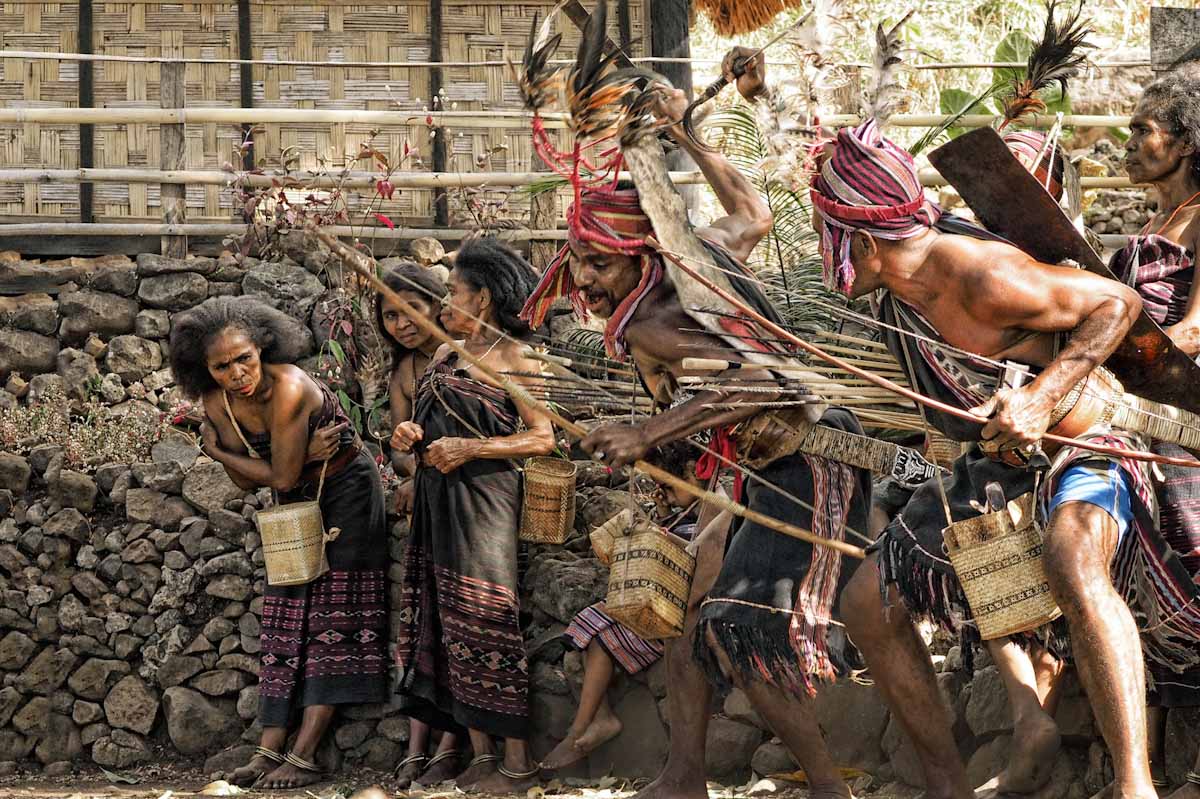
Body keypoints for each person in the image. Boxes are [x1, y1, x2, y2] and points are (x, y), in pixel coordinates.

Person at [804, 107, 1190, 799]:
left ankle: (1137, 787)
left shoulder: (981, 276)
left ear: (860, 243)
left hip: (1088, 439)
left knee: (1071, 555)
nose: (821, 246)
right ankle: (948, 786)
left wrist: (1042, 398)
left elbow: (1119, 302)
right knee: (867, 601)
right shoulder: (899, 291)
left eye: (826, 234)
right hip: (999, 463)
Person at [521, 48, 873, 799]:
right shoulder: (702, 257)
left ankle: (830, 788)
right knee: (683, 626)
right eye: (577, 260)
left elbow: (760, 378)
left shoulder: (652, 319)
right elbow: (754, 212)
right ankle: (683, 775)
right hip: (764, 458)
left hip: (807, 454)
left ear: (643, 253)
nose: (584, 279)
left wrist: (646, 434)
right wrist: (687, 136)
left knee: (733, 629)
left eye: (601, 264)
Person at [168, 296, 389, 790]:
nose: (237, 373)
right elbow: (253, 483)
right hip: (297, 502)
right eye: (222, 366)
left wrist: (216, 451)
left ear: (262, 347)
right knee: (286, 615)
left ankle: (306, 754)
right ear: (204, 369)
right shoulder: (217, 402)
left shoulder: (289, 386)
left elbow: (281, 475)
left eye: (244, 358)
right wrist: (259, 458)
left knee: (336, 614)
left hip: (347, 495)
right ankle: (268, 751)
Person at [390, 236, 555, 793]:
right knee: (444, 621)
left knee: (487, 621)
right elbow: (427, 428)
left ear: (482, 298)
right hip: (437, 504)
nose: (445, 306)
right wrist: (409, 435)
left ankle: (517, 761)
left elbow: (542, 438)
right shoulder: (444, 355)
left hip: (484, 503)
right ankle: (481, 758)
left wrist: (471, 449)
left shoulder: (517, 358)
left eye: (455, 292)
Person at [1112, 64, 1200, 799]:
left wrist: (1123, 347)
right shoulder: (1151, 225)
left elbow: (1196, 328)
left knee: (1187, 552)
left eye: (1145, 129)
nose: (1132, 141)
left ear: (1185, 141)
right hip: (1137, 400)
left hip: (1181, 410)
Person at [543, 440, 733, 771]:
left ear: (693, 473)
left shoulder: (718, 506)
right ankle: (597, 718)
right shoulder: (687, 510)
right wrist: (661, 516)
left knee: (603, 636)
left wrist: (657, 532)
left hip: (683, 612)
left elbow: (699, 565)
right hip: (662, 600)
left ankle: (579, 729)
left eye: (670, 486)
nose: (666, 494)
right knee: (592, 618)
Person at [374, 262, 464, 787]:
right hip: (429, 500)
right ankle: (415, 747)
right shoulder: (405, 371)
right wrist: (409, 465)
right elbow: (397, 443)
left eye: (410, 310)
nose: (401, 324)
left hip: (472, 499)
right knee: (421, 623)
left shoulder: (469, 355)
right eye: (389, 316)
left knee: (460, 623)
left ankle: (451, 744)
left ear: (435, 303)